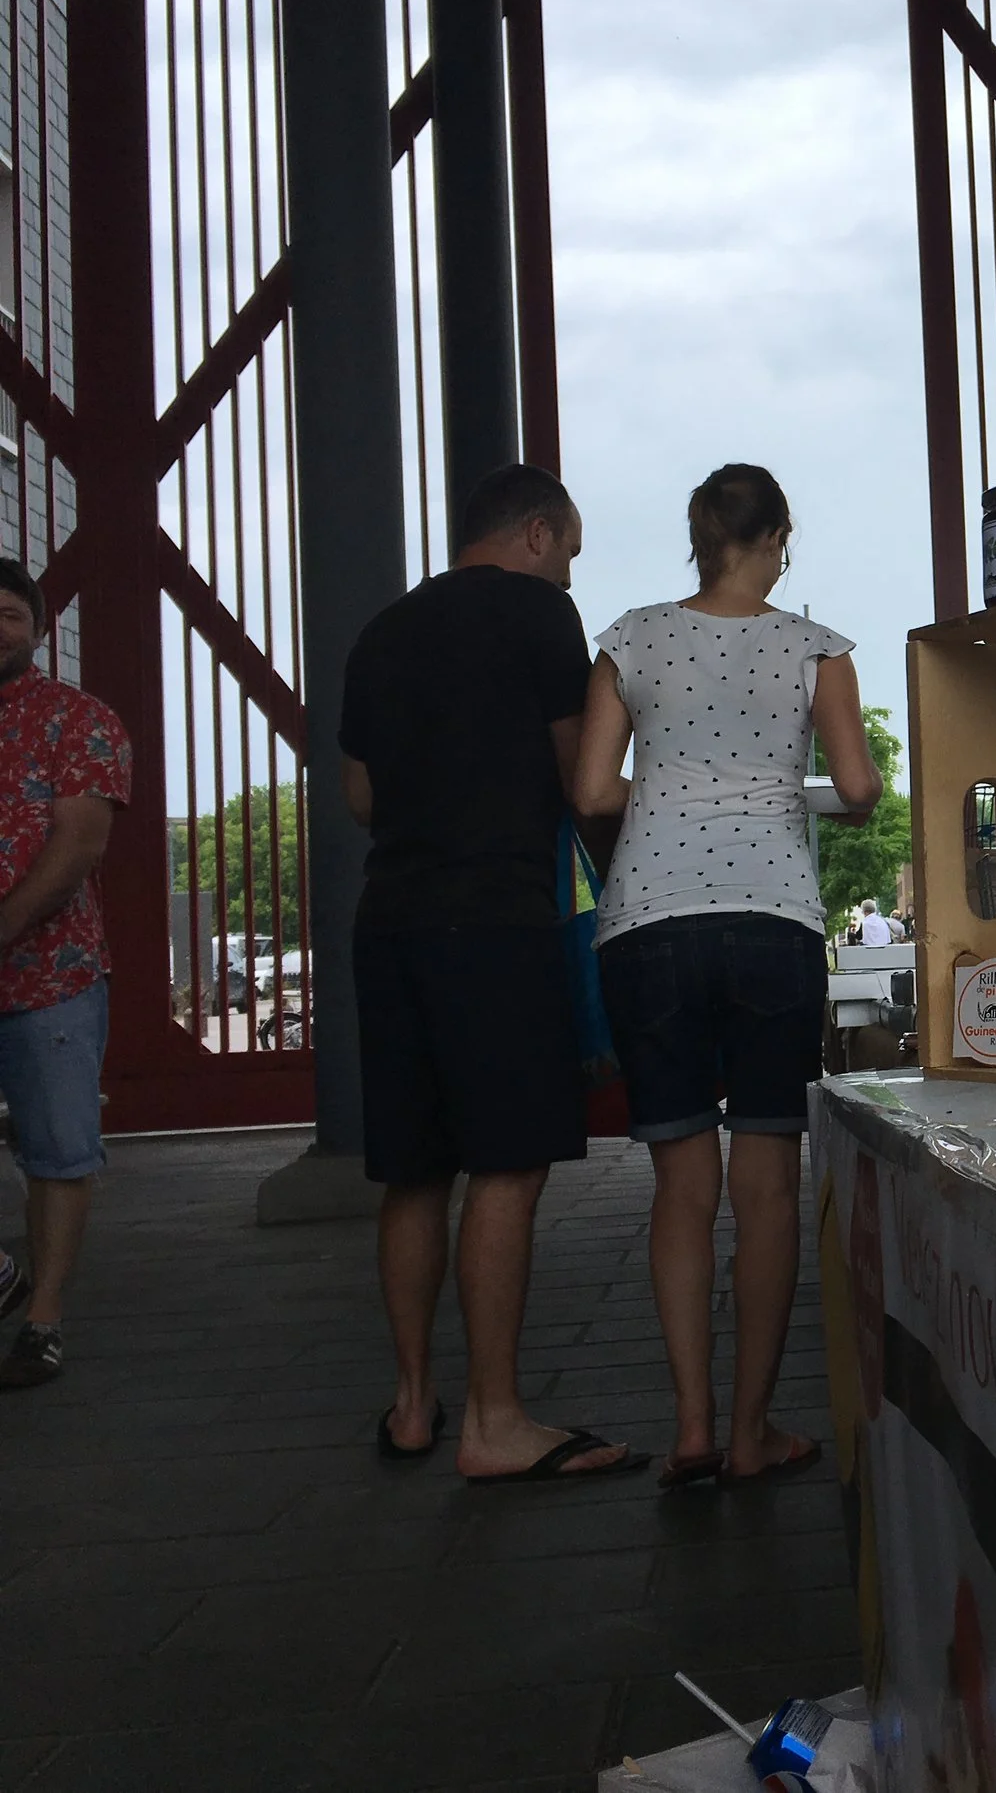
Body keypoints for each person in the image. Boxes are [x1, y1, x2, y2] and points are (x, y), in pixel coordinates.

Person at [573, 463, 882, 1487]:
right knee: (764, 1185)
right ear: (778, 536)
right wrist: (763, 788)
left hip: (646, 923)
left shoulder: (628, 637)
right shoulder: (815, 649)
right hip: (770, 920)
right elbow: (856, 785)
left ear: (698, 537)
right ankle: (755, 1436)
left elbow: (591, 788)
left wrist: (678, 784)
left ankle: (694, 1428)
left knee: (679, 1185)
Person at [340, 463, 645, 1480]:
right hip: (497, 920)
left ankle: (416, 1404)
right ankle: (496, 1422)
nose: (567, 575)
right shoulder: (536, 616)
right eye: (568, 552)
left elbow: (360, 797)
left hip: (390, 921)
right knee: (507, 1165)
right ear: (534, 534)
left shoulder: (382, 631)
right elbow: (583, 781)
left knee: (415, 1169)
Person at [0, 560, 131, 1390]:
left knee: (57, 1150)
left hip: (54, 976)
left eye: (9, 613)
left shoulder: (78, 720)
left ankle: (42, 1320)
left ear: (39, 629)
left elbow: (78, 845)